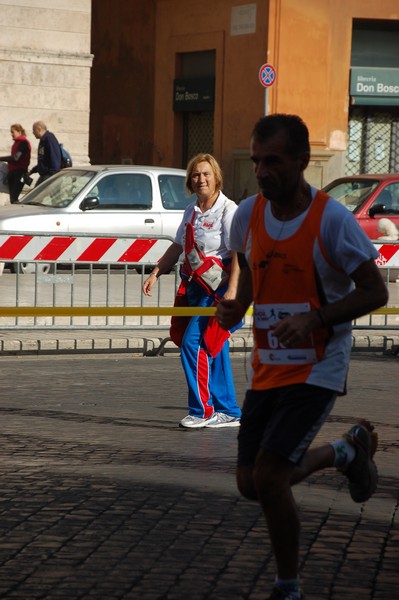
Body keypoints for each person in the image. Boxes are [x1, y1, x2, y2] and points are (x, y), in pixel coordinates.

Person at [215, 114, 388, 600]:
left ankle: (287, 587)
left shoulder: (331, 220)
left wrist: (316, 319)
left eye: (273, 161)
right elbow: (251, 267)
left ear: (301, 161)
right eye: (256, 161)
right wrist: (237, 306)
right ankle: (345, 452)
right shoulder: (246, 214)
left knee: (270, 475)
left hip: (318, 365)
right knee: (251, 482)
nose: (262, 171)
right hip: (269, 364)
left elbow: (375, 292)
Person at [143, 153, 242, 429]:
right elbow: (177, 246)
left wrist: (233, 291)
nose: (201, 179)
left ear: (216, 177)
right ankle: (230, 411)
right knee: (214, 346)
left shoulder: (228, 210)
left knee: (193, 344)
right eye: (196, 175)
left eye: (206, 174)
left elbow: (239, 255)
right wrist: (155, 272)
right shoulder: (191, 210)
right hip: (195, 290)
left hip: (219, 292)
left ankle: (202, 411)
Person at [0, 123, 31, 203]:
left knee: (14, 197)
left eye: (13, 132)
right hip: (13, 172)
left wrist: (1, 158)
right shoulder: (17, 143)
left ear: (19, 131)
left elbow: (16, 158)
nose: (11, 134)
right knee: (13, 197)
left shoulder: (23, 142)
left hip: (19, 173)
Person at [29, 120, 62, 186]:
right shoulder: (43, 140)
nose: (33, 133)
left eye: (34, 130)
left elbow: (55, 159)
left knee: (38, 195)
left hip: (49, 176)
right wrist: (32, 171)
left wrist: (52, 176)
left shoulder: (49, 139)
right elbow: (43, 160)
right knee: (36, 195)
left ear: (39, 129)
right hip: (45, 175)